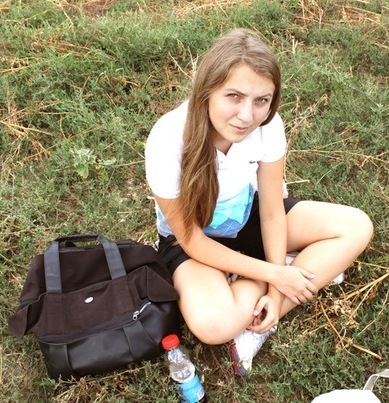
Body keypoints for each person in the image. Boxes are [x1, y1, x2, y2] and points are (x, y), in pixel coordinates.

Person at [145, 28, 373, 376]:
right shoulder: (167, 139)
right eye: (233, 96)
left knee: (356, 226)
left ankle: (264, 318)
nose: (247, 116)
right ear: (207, 90)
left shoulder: (268, 124)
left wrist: (276, 294)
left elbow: (270, 211)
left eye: (261, 100)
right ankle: (298, 267)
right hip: (193, 243)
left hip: (248, 217)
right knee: (214, 326)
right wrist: (276, 272)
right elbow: (190, 239)